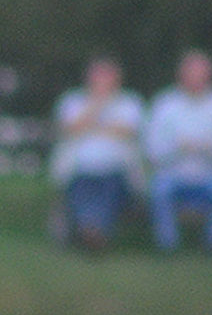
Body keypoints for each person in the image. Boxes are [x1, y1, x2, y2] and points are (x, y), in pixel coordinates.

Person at [143, 50, 212, 252]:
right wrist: (177, 148)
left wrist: (211, 148)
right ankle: (168, 246)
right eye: (191, 75)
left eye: (201, 75)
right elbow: (153, 150)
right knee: (159, 190)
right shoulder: (165, 105)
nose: (196, 80)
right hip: (173, 174)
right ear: (181, 76)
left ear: (210, 76)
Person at [49, 56, 144, 250]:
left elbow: (129, 131)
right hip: (79, 168)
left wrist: (91, 126)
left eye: (107, 77)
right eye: (98, 77)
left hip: (116, 168)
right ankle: (93, 232)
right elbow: (70, 128)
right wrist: (97, 106)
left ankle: (90, 230)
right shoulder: (72, 101)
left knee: (108, 191)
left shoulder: (129, 102)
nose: (102, 82)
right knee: (81, 189)